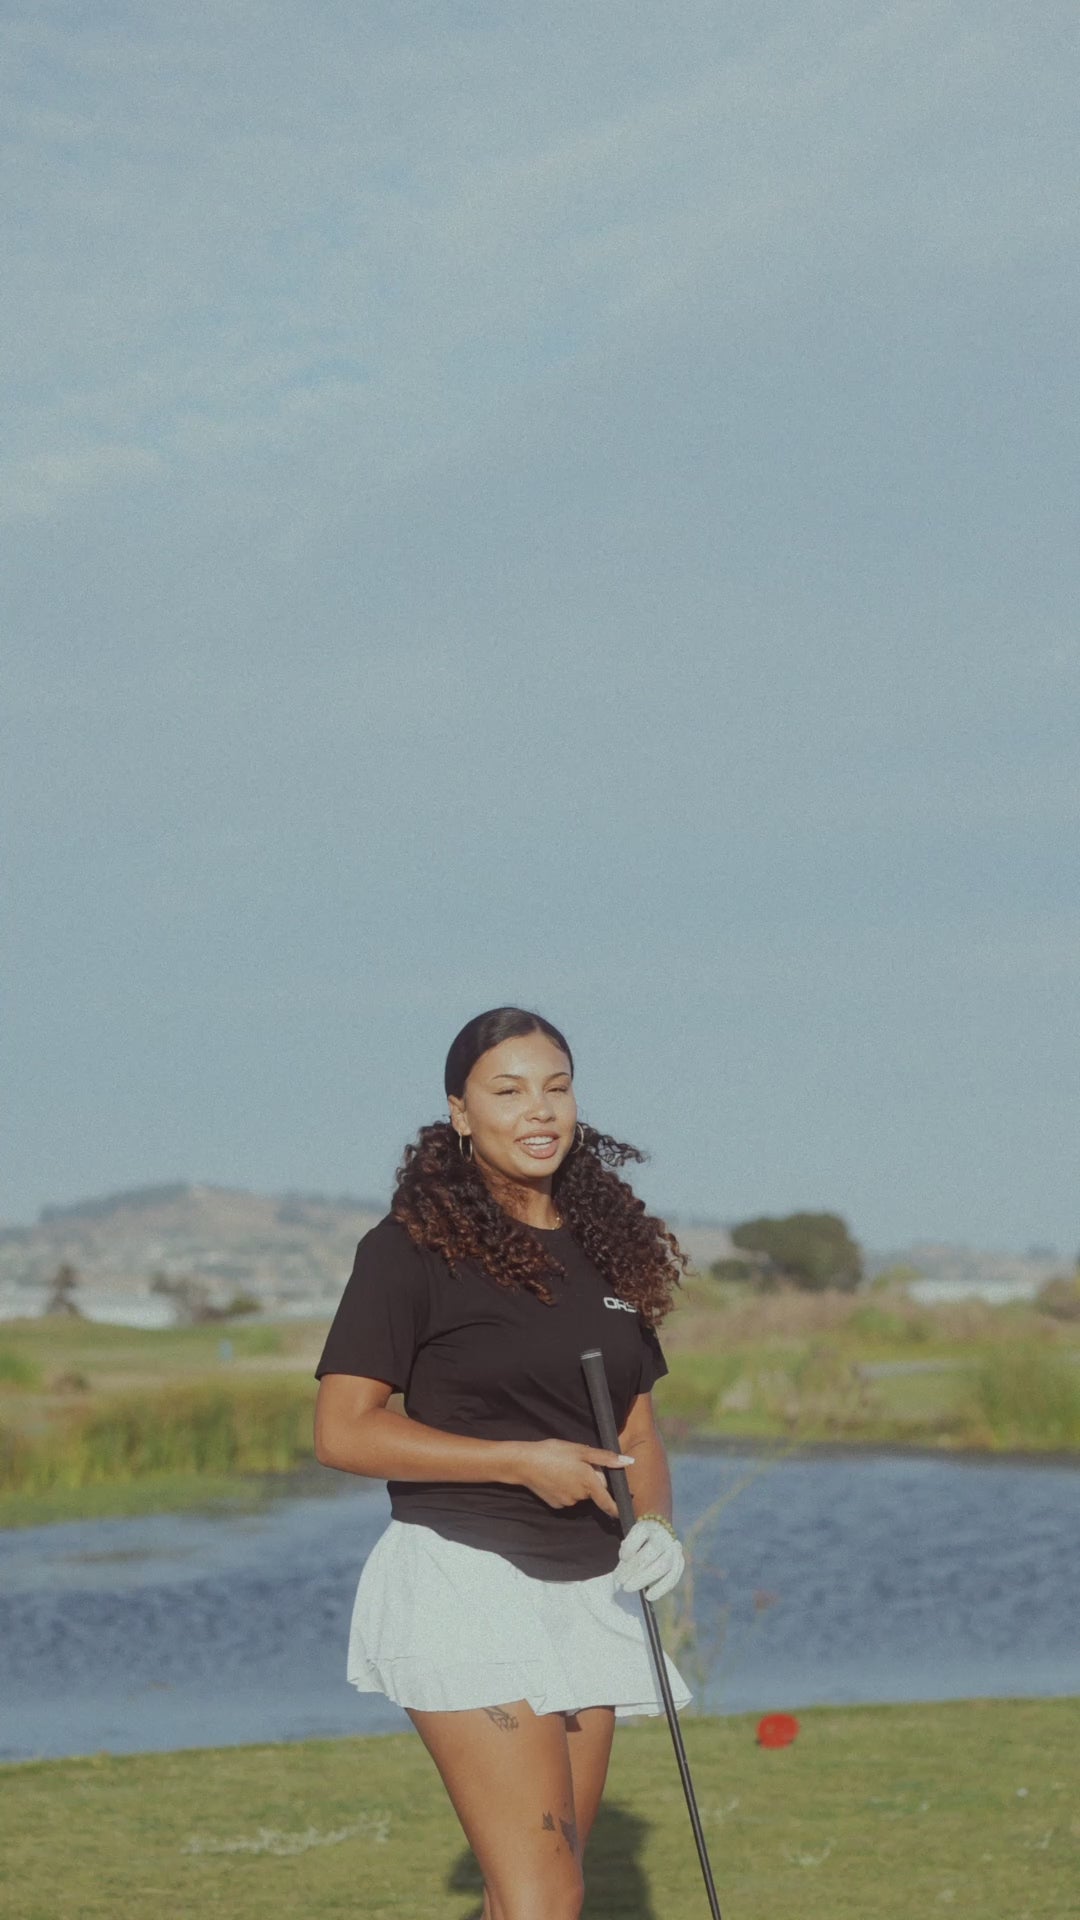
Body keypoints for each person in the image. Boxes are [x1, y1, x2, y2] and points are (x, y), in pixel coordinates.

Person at [314, 1006, 692, 1920]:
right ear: (459, 1112)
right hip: (463, 1581)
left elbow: (636, 1428)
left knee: (535, 1891)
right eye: (509, 1090)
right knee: (543, 1898)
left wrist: (655, 1529)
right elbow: (345, 1431)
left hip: (587, 1590)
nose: (540, 1110)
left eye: (556, 1088)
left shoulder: (606, 1251)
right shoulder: (409, 1251)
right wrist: (518, 1462)